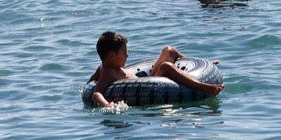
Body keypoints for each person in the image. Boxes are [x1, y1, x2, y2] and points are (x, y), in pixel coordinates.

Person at [89, 36, 225, 112]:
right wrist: (107, 105)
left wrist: (86, 86)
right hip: (154, 84)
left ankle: (197, 63)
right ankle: (204, 87)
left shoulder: (104, 67)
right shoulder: (107, 72)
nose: (127, 55)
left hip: (150, 79)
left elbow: (90, 82)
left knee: (168, 50)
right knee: (166, 66)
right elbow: (96, 92)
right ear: (112, 56)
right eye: (124, 53)